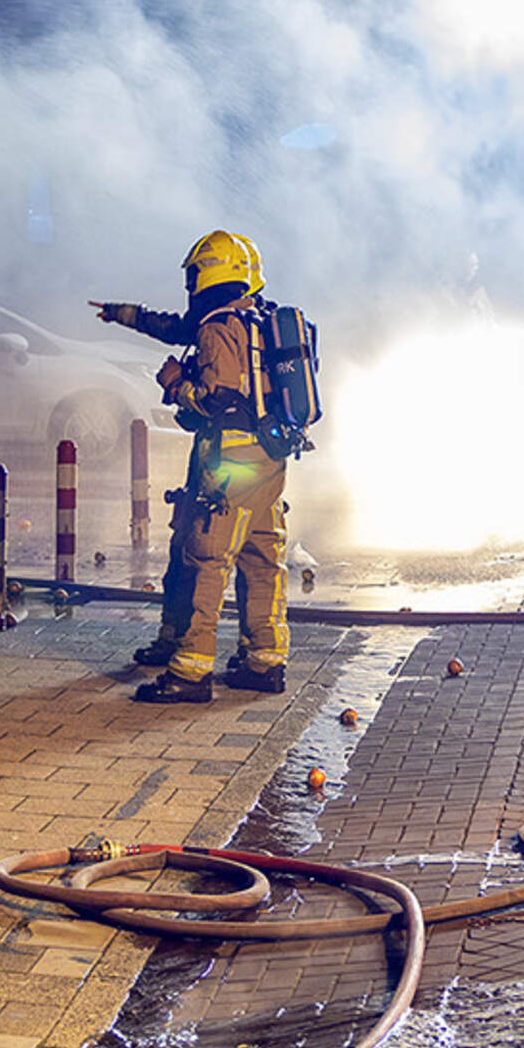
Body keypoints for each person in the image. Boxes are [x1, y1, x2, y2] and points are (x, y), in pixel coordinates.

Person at [94, 230, 295, 703]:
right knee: (261, 558)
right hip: (267, 458)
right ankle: (264, 661)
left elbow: (215, 399)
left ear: (207, 275)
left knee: (207, 556)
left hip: (230, 461)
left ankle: (190, 671)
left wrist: (174, 383)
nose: (189, 284)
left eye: (193, 275)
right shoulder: (256, 319)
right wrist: (125, 314)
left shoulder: (218, 328)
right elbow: (177, 328)